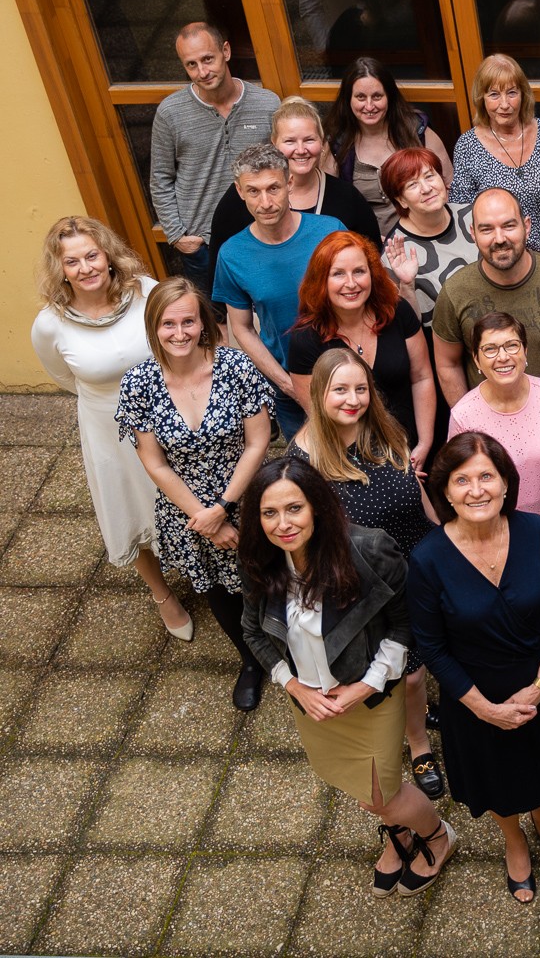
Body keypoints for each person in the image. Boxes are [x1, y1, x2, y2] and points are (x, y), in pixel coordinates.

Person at [239, 456, 456, 900]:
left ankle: (437, 834)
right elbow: (252, 631)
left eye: (294, 508)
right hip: (313, 703)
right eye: (269, 512)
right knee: (361, 787)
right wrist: (294, 686)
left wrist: (367, 685)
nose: (283, 524)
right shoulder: (260, 561)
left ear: (316, 505)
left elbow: (404, 625)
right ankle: (399, 833)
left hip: (371, 697)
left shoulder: (369, 549)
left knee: (379, 794)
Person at [409, 432, 540, 901]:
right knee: (498, 777)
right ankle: (514, 838)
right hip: (474, 693)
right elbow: (432, 646)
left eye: (487, 476)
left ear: (507, 483)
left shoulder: (535, 534)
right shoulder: (427, 560)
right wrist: (483, 709)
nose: (477, 489)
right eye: (462, 480)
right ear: (444, 491)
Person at [287, 347, 441, 798]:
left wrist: (440, 534)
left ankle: (424, 711)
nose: (352, 399)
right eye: (340, 390)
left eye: (360, 388)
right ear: (319, 393)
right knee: (408, 672)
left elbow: (415, 486)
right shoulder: (304, 462)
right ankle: (418, 744)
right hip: (371, 581)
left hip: (418, 553)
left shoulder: (385, 430)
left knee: (431, 652)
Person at [116, 277, 275, 710]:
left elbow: (258, 442)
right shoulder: (139, 384)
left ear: (204, 323)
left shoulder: (237, 368)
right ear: (154, 328)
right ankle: (250, 660)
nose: (180, 332)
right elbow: (154, 462)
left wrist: (223, 509)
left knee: (271, 579)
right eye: (168, 324)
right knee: (219, 589)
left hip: (243, 495)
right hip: (188, 510)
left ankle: (292, 652)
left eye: (188, 321)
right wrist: (205, 521)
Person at [32, 217, 189, 638]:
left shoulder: (146, 292)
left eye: (91, 255)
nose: (85, 268)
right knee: (130, 506)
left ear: (107, 255)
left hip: (167, 411)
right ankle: (163, 595)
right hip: (107, 424)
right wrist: (107, 398)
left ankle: (208, 571)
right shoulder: (50, 323)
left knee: (189, 493)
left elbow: (177, 340)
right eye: (72, 261)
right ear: (60, 268)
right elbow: (64, 377)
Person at [432, 188, 540, 417]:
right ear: (473, 234)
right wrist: (471, 424)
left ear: (527, 226)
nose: (499, 238)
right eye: (487, 229)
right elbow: (447, 364)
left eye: (509, 226)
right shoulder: (455, 292)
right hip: (490, 433)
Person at [212, 143, 346, 436]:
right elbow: (242, 329)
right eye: (253, 191)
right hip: (286, 384)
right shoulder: (232, 254)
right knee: (308, 474)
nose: (265, 202)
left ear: (289, 183)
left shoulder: (329, 232)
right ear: (239, 191)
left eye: (273, 188)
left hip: (346, 374)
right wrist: (287, 384)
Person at [288, 231, 435, 468]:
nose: (351, 283)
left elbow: (422, 377)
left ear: (372, 274)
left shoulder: (397, 312)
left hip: (413, 451)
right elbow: (320, 418)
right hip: (353, 463)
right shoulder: (306, 340)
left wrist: (425, 444)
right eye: (338, 274)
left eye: (359, 271)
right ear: (321, 281)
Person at [150, 22, 280, 292]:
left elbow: (283, 168)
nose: (203, 72)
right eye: (192, 65)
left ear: (226, 51)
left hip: (264, 236)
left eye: (208, 59)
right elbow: (160, 177)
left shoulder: (267, 104)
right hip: (204, 247)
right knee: (216, 326)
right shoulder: (170, 113)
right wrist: (178, 236)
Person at [211, 96, 380, 263]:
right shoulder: (244, 195)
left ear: (322, 142)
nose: (300, 150)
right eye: (290, 141)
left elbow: (371, 259)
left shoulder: (347, 197)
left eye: (309, 140)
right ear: (274, 143)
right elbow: (221, 268)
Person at [449, 312, 540, 523]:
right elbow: (462, 483)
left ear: (525, 351)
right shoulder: (463, 415)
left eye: (511, 345)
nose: (503, 357)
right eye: (490, 349)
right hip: (494, 529)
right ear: (476, 359)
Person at [450, 53, 540, 260]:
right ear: (481, 99)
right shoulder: (467, 146)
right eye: (494, 95)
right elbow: (463, 212)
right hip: (502, 265)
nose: (505, 104)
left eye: (511, 93)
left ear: (523, 94)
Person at [324, 58, 453, 236]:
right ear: (348, 99)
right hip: (368, 246)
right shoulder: (336, 144)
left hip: (426, 236)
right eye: (361, 97)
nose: (369, 106)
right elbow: (334, 208)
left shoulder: (419, 131)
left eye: (377, 96)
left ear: (389, 96)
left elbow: (448, 187)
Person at [379, 146, 479, 333]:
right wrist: (407, 286)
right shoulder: (395, 253)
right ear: (401, 200)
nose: (426, 189)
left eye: (429, 176)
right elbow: (406, 328)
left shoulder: (475, 215)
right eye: (412, 184)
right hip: (449, 348)